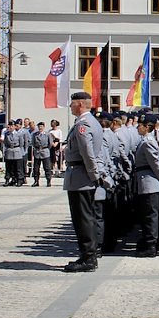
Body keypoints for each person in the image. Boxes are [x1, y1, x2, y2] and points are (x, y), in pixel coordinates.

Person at [62, 92, 105, 273]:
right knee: (86, 217)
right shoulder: (91, 122)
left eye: (72, 104)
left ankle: (88, 258)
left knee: (83, 219)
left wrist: (93, 174)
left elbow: (87, 152)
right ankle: (88, 255)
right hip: (82, 175)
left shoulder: (83, 124)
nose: (70, 107)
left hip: (81, 176)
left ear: (80, 104)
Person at [133, 113, 159, 258]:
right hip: (145, 180)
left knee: (150, 215)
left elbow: (156, 164)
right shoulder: (144, 140)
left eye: (140, 125)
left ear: (147, 127)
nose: (138, 127)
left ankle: (151, 245)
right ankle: (149, 242)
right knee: (147, 214)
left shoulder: (148, 142)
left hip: (149, 182)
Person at [3, 120, 25, 186]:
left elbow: (21, 144)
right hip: (9, 151)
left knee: (18, 167)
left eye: (12, 126)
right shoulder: (7, 134)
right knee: (9, 167)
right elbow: (6, 143)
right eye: (10, 126)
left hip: (17, 151)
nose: (10, 127)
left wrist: (20, 151)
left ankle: (19, 180)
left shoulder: (19, 134)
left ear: (15, 126)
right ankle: (7, 179)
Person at [31, 121, 53, 187]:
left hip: (45, 151)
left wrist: (45, 149)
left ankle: (48, 181)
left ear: (44, 127)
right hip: (37, 152)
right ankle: (36, 181)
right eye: (39, 126)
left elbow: (50, 144)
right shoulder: (35, 134)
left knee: (47, 168)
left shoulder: (47, 134)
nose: (40, 128)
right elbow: (33, 143)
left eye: (41, 126)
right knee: (36, 168)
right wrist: (37, 148)